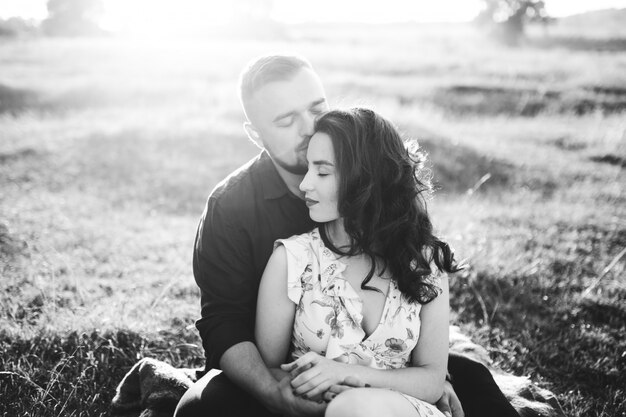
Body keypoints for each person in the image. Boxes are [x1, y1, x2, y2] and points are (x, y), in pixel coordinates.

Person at [175, 55, 520, 417]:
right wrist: (271, 389)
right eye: (285, 120)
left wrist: (431, 379)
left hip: (385, 364)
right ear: (255, 134)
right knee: (203, 407)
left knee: (473, 381)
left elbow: (415, 284)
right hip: (278, 368)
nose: (308, 128)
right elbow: (222, 323)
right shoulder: (230, 208)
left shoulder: (377, 187)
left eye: (316, 108)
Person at [256, 107, 456, 417]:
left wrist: (349, 378)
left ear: (366, 178)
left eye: (322, 172)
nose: (305, 184)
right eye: (308, 168)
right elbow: (269, 369)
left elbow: (432, 380)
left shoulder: (425, 262)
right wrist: (328, 395)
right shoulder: (291, 260)